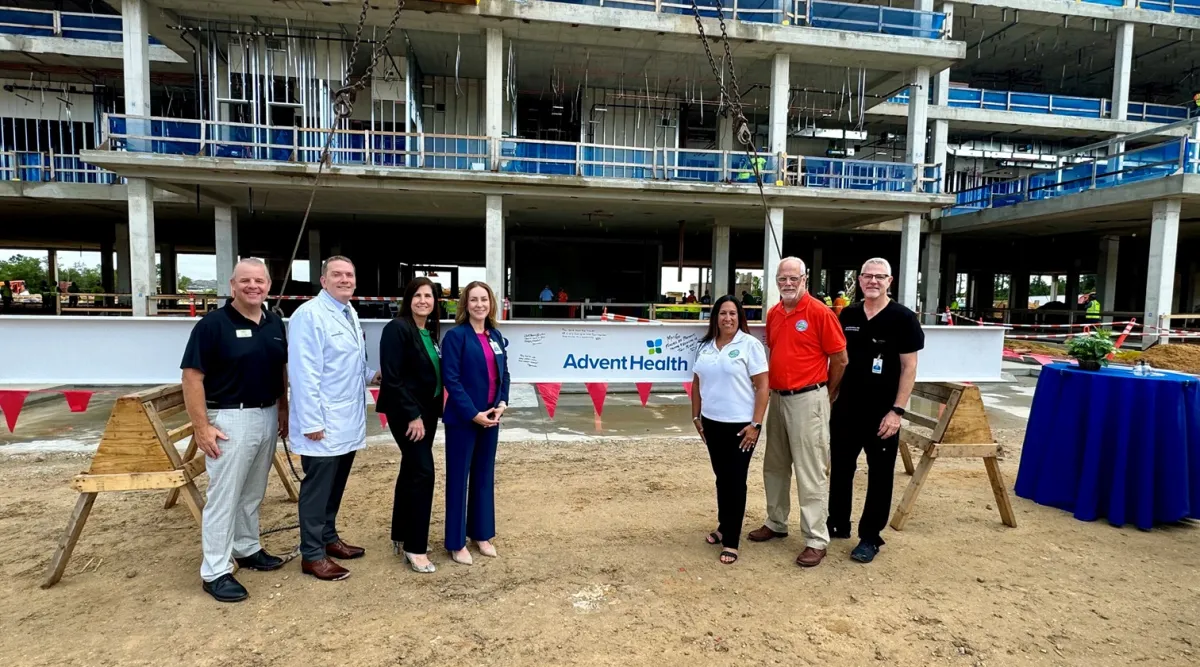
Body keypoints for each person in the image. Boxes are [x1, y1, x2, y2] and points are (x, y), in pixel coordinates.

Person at [180, 259, 289, 603]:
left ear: (268, 286)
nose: (253, 286)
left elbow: (281, 368)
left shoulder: (275, 322)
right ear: (232, 286)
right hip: (229, 418)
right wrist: (201, 427)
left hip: (267, 413)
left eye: (259, 280)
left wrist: (283, 407)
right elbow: (192, 377)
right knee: (224, 496)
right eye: (246, 281)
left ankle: (247, 547)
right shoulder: (212, 325)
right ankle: (215, 570)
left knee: (253, 490)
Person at [748, 256, 847, 568]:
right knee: (775, 465)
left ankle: (816, 538)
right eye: (782, 279)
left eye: (793, 278)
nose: (787, 284)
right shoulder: (774, 313)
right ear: (776, 281)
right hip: (777, 397)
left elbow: (840, 359)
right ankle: (776, 521)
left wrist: (826, 393)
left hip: (809, 398)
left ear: (805, 279)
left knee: (811, 470)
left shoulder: (820, 312)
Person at [288, 256, 379, 581]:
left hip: (346, 419)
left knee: (336, 485)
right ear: (323, 280)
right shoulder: (309, 316)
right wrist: (312, 422)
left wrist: (372, 376)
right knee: (318, 487)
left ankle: (328, 538)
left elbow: (346, 363)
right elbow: (304, 372)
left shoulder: (349, 312)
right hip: (322, 423)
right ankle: (312, 554)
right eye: (337, 275)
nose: (344, 279)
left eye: (349, 275)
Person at [827, 259, 924, 564]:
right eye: (867, 276)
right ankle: (837, 522)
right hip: (846, 408)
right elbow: (838, 358)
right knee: (841, 467)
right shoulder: (850, 314)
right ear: (858, 280)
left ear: (889, 281)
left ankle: (870, 536)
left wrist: (897, 411)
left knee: (880, 475)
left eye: (879, 277)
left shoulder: (903, 318)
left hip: (883, 413)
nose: (873, 281)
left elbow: (909, 368)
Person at [690, 295, 769, 565]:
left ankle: (731, 541)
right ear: (715, 317)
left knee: (735, 481)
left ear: (740, 317)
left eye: (733, 314)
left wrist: (755, 425)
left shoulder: (750, 345)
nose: (728, 318)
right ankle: (724, 525)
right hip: (711, 423)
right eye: (723, 313)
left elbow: (762, 387)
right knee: (722, 478)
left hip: (741, 427)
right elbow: (697, 383)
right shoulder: (705, 347)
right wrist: (696, 416)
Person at [377, 277, 444, 574]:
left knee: (411, 470)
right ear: (408, 298)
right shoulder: (397, 329)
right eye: (417, 295)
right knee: (423, 473)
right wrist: (411, 415)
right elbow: (392, 378)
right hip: (409, 414)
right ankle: (416, 548)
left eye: (428, 296)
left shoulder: (428, 332)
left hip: (427, 412)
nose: (423, 300)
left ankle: (401, 535)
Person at [441, 281, 510, 565]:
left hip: (491, 417)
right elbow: (452, 380)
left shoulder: (495, 335)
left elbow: (504, 374)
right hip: (463, 419)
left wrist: (502, 404)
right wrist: (473, 414)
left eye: (484, 299)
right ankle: (456, 543)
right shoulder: (456, 337)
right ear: (465, 305)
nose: (479, 304)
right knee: (459, 479)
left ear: (491, 303)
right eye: (474, 300)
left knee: (483, 477)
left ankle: (481, 534)